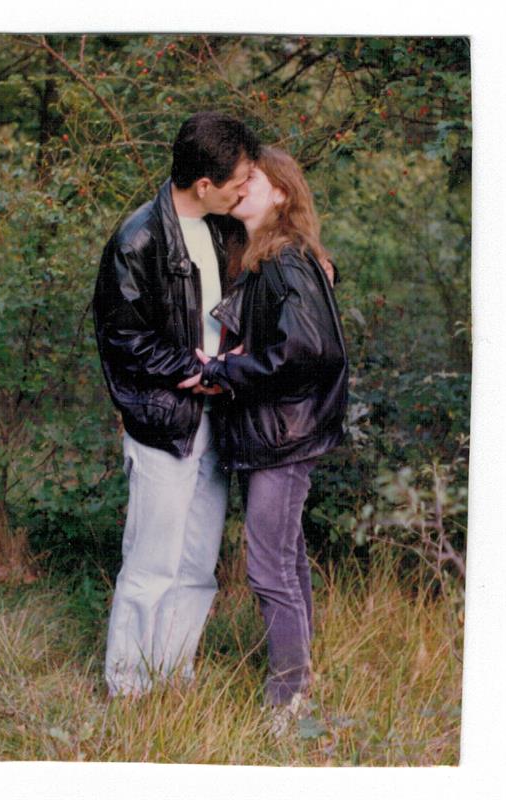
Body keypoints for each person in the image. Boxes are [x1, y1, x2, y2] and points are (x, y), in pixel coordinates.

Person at [178, 147, 348, 729]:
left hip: (283, 434)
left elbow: (306, 349)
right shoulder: (264, 257)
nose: (241, 184)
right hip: (278, 432)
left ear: (282, 193)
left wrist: (223, 370)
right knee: (286, 558)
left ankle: (288, 700)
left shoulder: (283, 259)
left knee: (269, 568)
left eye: (254, 178)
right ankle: (300, 682)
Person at [92, 112, 260, 698]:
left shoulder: (224, 229)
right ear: (204, 184)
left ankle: (172, 674)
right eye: (238, 180)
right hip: (164, 423)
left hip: (219, 418)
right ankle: (128, 687)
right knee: (151, 564)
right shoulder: (137, 239)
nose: (246, 188)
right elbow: (122, 338)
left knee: (196, 565)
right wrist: (193, 370)